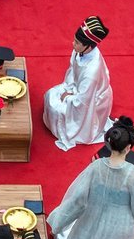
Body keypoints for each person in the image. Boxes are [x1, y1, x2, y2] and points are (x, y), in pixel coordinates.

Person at [43, 16, 113, 151]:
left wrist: (68, 97)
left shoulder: (91, 72)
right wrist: (68, 88)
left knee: (55, 108)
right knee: (50, 94)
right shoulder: (80, 51)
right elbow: (72, 72)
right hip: (78, 89)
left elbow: (83, 101)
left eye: (76, 42)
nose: (72, 44)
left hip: (91, 100)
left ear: (88, 46)